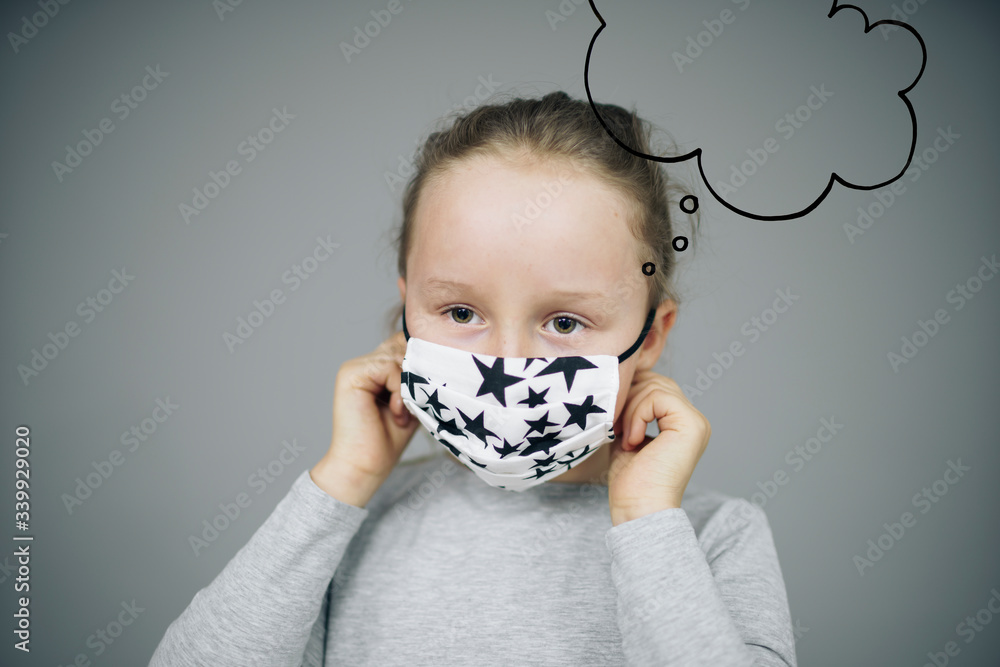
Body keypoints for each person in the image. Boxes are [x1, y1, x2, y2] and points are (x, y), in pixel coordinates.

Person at [149, 91, 797, 666]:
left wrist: (644, 521)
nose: (508, 362)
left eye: (565, 322)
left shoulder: (715, 535)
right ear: (407, 310)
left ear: (651, 335)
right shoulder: (348, 524)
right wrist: (343, 481)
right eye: (461, 312)